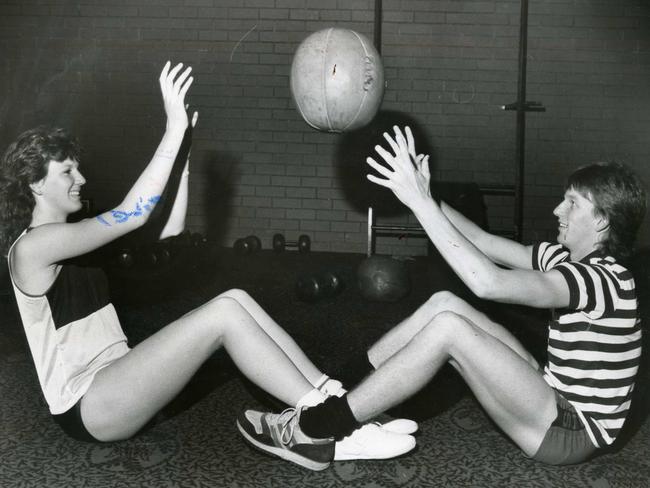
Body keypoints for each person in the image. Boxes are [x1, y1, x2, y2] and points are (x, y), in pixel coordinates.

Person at [0, 63, 418, 466]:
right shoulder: (32, 248)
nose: (82, 179)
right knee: (222, 314)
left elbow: (170, 234)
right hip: (88, 404)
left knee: (234, 298)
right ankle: (330, 428)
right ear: (36, 182)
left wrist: (180, 160)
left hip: (119, 379)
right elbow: (134, 213)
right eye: (67, 171)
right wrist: (172, 129)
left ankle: (336, 405)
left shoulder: (74, 239)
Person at [237, 125, 647, 469]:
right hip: (551, 396)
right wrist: (427, 197)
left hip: (569, 432)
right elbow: (483, 241)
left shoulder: (602, 280)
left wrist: (417, 201)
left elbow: (488, 283)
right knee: (445, 305)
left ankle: (315, 429)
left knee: (450, 329)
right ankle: (335, 392)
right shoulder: (564, 258)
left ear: (602, 221)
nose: (558, 210)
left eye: (572, 204)